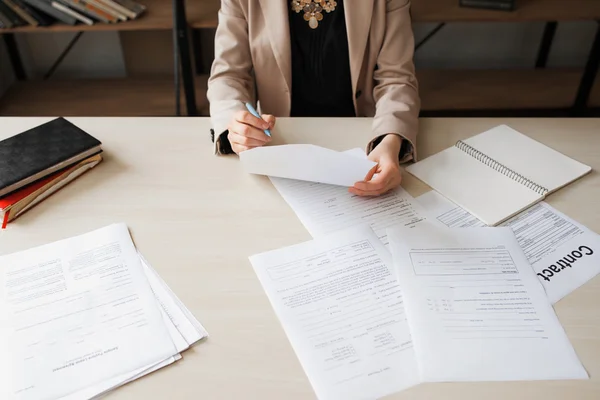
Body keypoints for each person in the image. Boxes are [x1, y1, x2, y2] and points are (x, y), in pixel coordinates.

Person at [207, 0, 420, 196]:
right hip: (280, 143)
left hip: (364, 140)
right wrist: (236, 123)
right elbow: (228, 75)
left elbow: (397, 78)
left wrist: (390, 138)